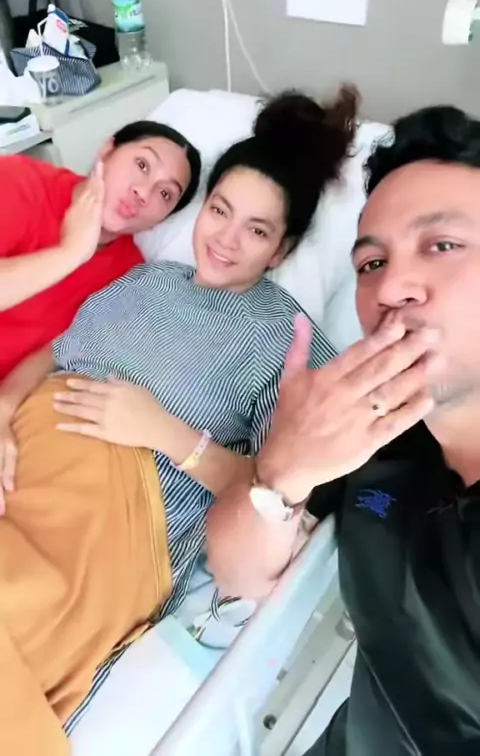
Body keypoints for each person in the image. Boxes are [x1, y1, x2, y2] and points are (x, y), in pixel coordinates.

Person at [0, 85, 358, 755]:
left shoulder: (283, 338)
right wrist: (2, 414)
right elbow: (54, 352)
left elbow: (283, 496)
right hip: (24, 458)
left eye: (256, 230)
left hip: (113, 522)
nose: (225, 237)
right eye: (219, 210)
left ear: (281, 251)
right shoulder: (144, 280)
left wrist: (166, 432)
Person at [202, 104, 480, 754]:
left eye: (442, 246)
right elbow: (236, 572)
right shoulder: (368, 427)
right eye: (371, 263)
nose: (392, 288)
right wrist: (282, 472)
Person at [0, 120, 201, 382]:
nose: (143, 192)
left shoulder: (130, 277)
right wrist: (70, 252)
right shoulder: (18, 180)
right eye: (142, 165)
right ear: (106, 151)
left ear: (160, 221)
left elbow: (64, 350)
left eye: (165, 193)